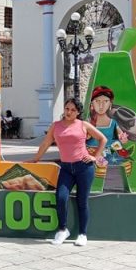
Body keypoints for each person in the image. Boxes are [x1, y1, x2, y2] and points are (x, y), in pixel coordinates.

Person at [30, 98, 107, 246]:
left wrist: (94, 157)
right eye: (67, 109)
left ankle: (83, 234)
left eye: (72, 110)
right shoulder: (56, 126)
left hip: (84, 168)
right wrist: (36, 159)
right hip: (66, 168)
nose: (69, 112)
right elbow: (46, 142)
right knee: (60, 197)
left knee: (82, 201)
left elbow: (102, 139)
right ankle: (62, 230)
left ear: (78, 112)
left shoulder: (83, 125)